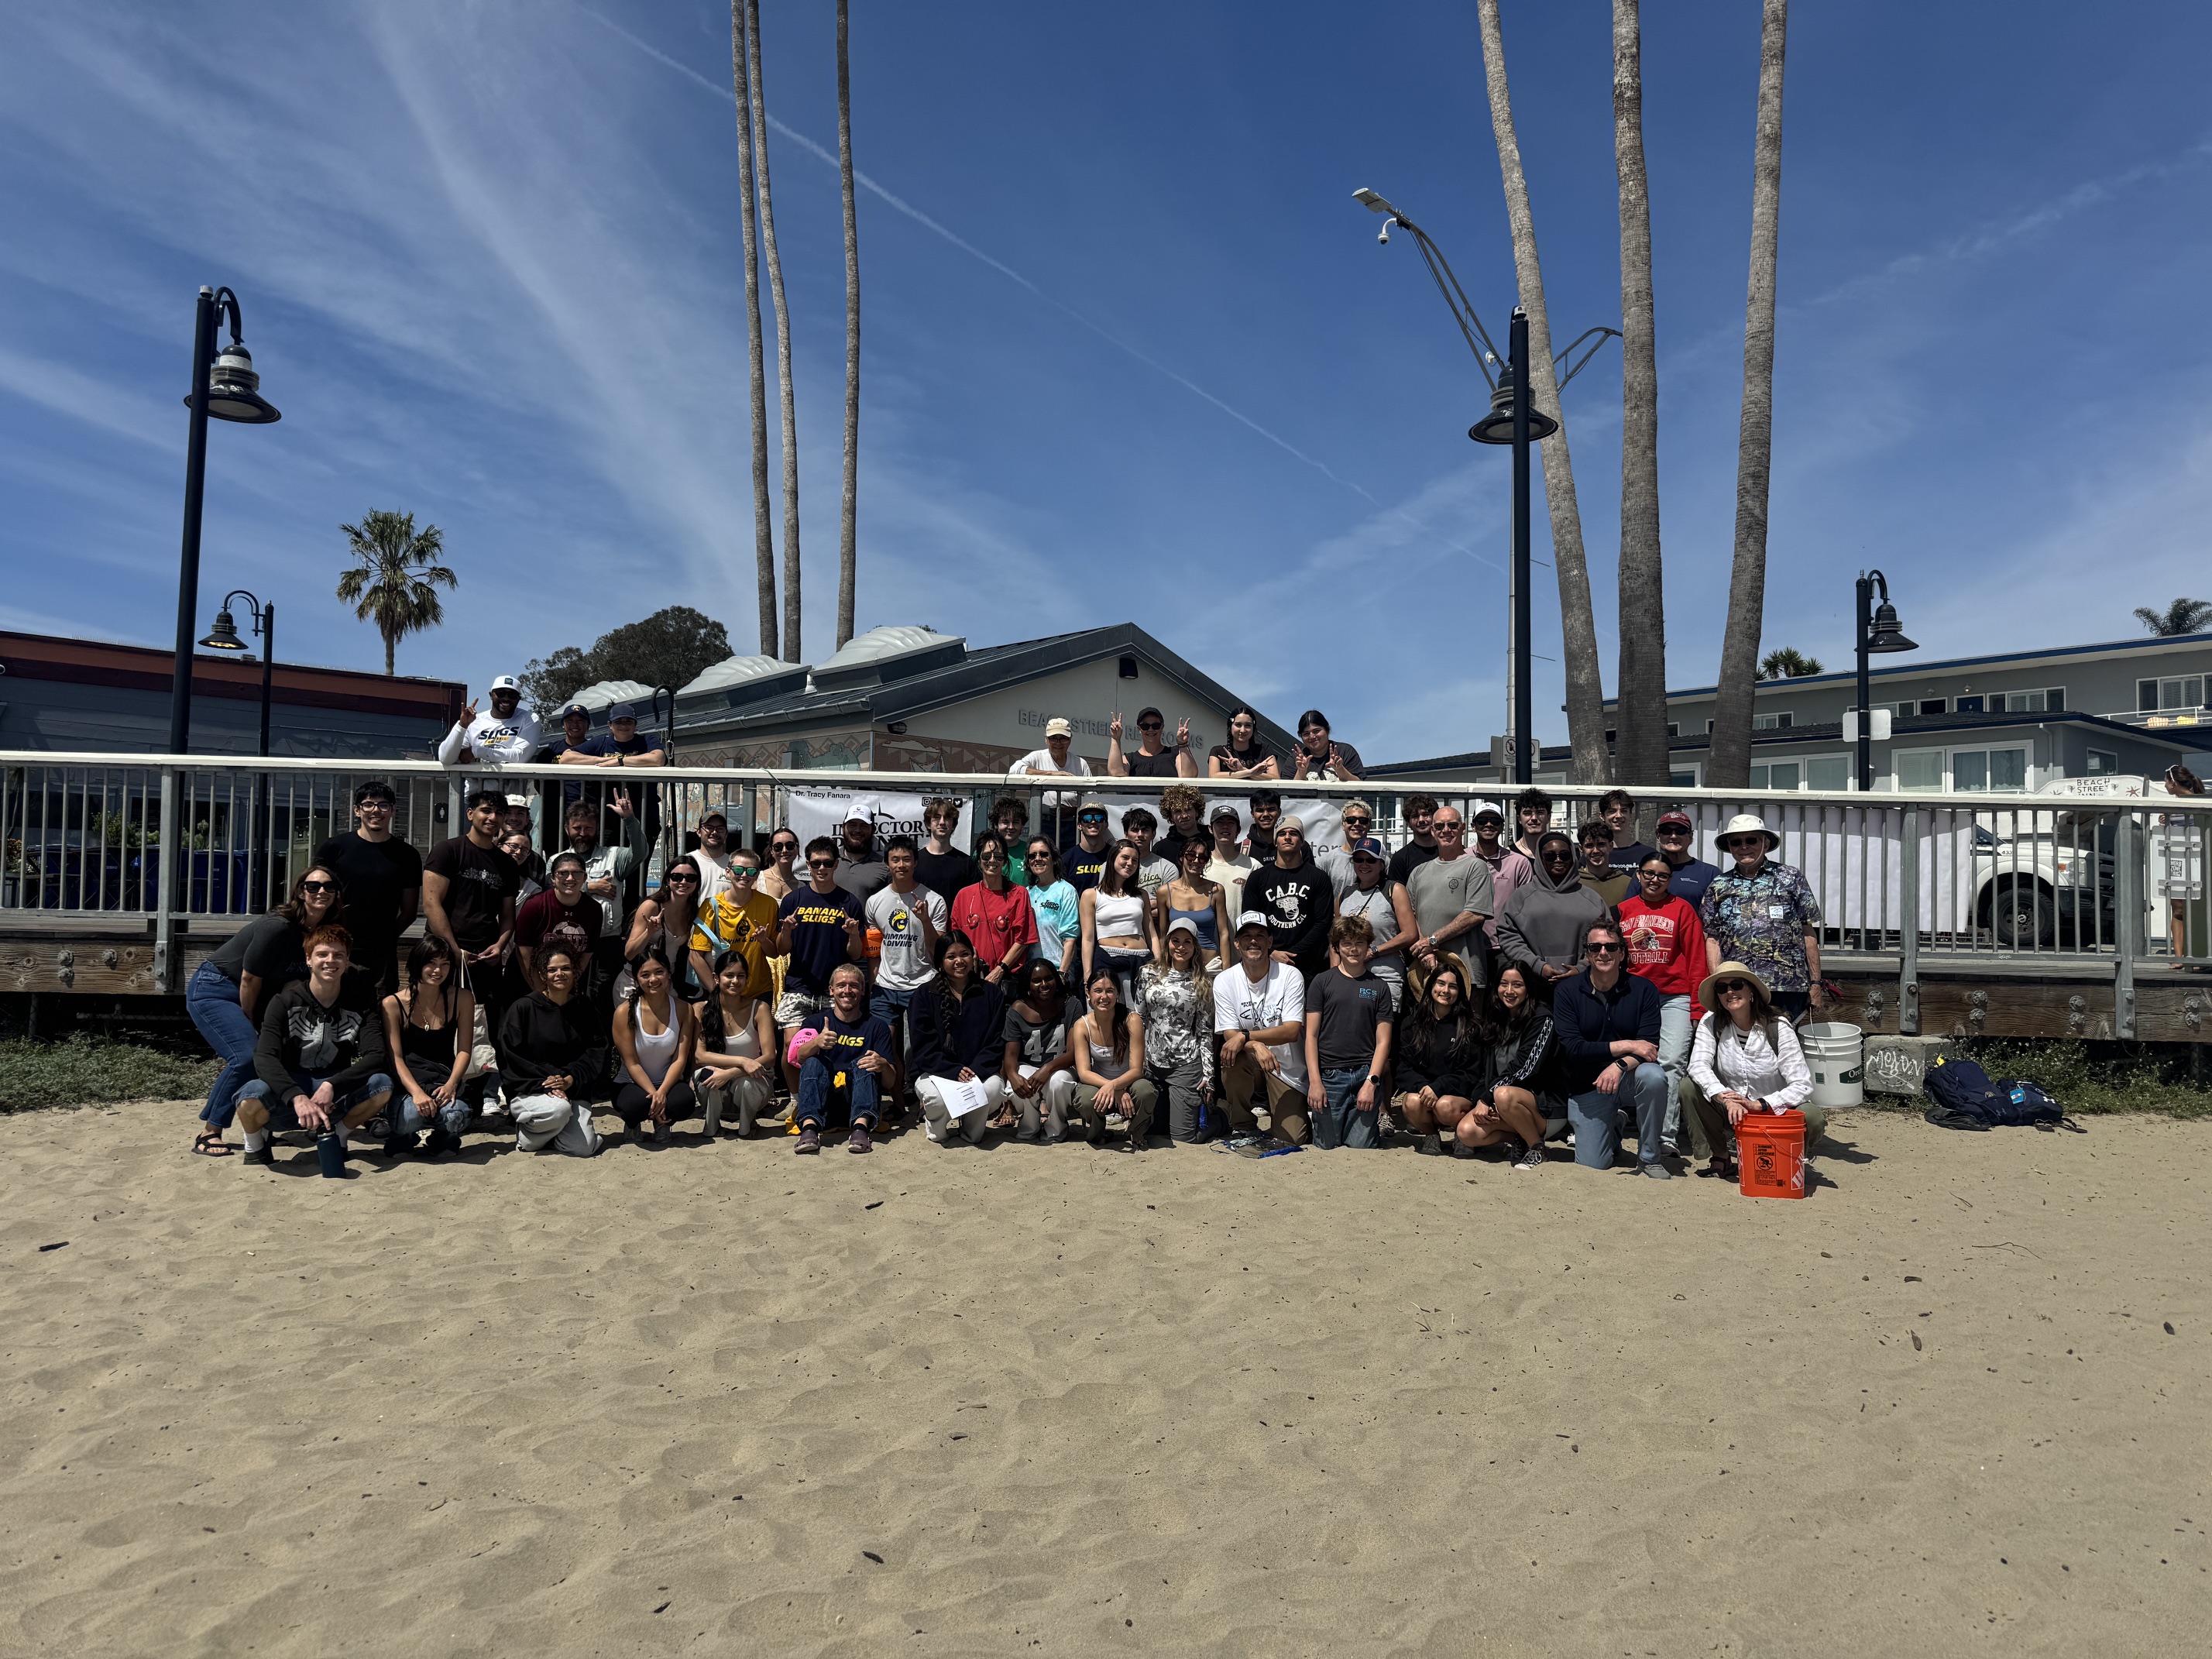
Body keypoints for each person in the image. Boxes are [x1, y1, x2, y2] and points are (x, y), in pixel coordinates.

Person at [184, 866, 345, 1156]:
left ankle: (264, 1128)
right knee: (247, 1056)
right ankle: (210, 1132)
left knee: (276, 1054)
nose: (322, 891)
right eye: (313, 886)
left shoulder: (318, 931)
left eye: (329, 887)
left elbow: (294, 980)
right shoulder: (279, 926)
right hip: (218, 988)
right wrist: (249, 1020)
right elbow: (249, 978)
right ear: (300, 892)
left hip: (259, 993)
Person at [233, 925, 394, 1171]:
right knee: (250, 1095)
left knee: (382, 1085)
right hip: (290, 1093)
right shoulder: (283, 1002)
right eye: (322, 954)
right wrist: (296, 1096)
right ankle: (256, 1144)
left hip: (333, 1094)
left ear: (347, 959)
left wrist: (333, 1085)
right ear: (308, 959)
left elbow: (376, 1056)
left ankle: (338, 1136)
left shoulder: (361, 1003)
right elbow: (265, 1057)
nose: (331, 961)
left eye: (338, 955)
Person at [1681, 961, 1829, 1180]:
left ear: (1751, 991)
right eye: (1722, 989)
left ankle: (1788, 1156)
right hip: (1731, 1110)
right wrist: (1725, 1098)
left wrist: (1761, 1104)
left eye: (1737, 984)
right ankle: (1720, 1156)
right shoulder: (1710, 1022)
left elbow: (1802, 1084)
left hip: (1771, 1111)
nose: (1730, 992)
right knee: (1688, 1087)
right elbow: (1698, 1065)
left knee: (1812, 1117)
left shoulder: (1778, 1026)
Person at [1551, 919, 1671, 1176]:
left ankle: (1650, 1157)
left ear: (1622, 953)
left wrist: (1618, 1066)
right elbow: (1574, 1048)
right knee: (1594, 1164)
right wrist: (1628, 1045)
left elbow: (1649, 1048)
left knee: (1654, 1077)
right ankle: (1614, 1124)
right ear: (1587, 953)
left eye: (1611, 947)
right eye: (1595, 948)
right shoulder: (1567, 992)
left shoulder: (1645, 990)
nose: (1603, 953)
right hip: (1588, 1084)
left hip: (1628, 1077)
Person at [1618, 851, 1709, 1155]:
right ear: (1639, 875)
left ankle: (1664, 1136)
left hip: (1675, 997)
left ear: (1670, 879)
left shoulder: (1682, 910)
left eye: (1663, 875)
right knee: (1629, 1060)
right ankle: (1620, 1120)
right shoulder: (1623, 910)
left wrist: (1698, 1007)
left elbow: (1697, 960)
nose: (1655, 880)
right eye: (1649, 873)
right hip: (1634, 996)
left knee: (1671, 1061)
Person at [1701, 814, 1826, 1018]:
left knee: (1783, 1046)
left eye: (1751, 840)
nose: (1744, 847)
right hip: (1738, 987)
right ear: (1730, 847)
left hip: (1786, 985)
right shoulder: (1718, 885)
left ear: (1765, 844)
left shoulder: (1791, 877)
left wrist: (1815, 983)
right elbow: (1712, 939)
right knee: (1742, 1047)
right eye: (1736, 842)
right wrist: (1719, 983)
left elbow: (1807, 932)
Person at [311, 781, 421, 996]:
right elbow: (315, 894)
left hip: (382, 951)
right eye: (368, 805)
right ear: (357, 810)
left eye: (383, 805)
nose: (376, 811)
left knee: (382, 1012)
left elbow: (409, 911)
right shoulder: (334, 848)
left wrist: (388, 935)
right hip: (336, 947)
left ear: (393, 810)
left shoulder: (407, 855)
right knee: (334, 1008)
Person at [422, 789, 521, 1028]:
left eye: (499, 813)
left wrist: (500, 946)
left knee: (486, 1023)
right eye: (485, 811)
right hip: (444, 950)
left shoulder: (507, 864)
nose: (492, 818)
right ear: (470, 814)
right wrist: (454, 950)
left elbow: (508, 916)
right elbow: (431, 903)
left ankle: (483, 1066)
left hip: (485, 956)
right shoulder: (448, 850)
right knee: (438, 1016)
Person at [497, 942, 606, 1156]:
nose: (560, 974)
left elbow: (597, 1050)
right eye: (552, 970)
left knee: (583, 1148)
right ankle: (529, 1132)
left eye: (565, 968)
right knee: (559, 1110)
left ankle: (553, 1133)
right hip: (531, 1089)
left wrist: (570, 1079)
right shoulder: (523, 1008)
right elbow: (510, 1057)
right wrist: (547, 1083)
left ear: (575, 971)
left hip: (572, 1090)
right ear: (542, 974)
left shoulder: (584, 1008)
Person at [776, 838, 868, 1083]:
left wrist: (852, 934)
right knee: (790, 1048)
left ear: (836, 864)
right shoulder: (792, 901)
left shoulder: (849, 903)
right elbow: (781, 949)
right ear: (807, 864)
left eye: (827, 863)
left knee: (830, 1049)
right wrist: (786, 931)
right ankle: (796, 1102)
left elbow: (855, 954)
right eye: (816, 863)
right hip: (798, 987)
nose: (822, 869)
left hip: (834, 990)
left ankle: (824, 1097)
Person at [1214, 912, 1310, 1146]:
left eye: (1259, 935)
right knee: (1232, 1055)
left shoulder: (1290, 975)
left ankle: (1294, 1110)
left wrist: (1247, 1036)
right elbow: (1229, 1036)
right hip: (1252, 1059)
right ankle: (1242, 1124)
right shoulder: (1225, 980)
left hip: (1286, 1067)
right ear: (1237, 944)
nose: (1253, 941)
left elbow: (1291, 1031)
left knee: (1293, 1138)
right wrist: (1255, 1044)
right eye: (1246, 936)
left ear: (1270, 942)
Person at [907, 930, 1009, 1146]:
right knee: (936, 1099)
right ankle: (936, 1125)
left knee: (994, 1090)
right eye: (951, 957)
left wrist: (977, 1070)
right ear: (941, 962)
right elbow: (923, 1046)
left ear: (974, 957)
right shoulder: (924, 995)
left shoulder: (992, 994)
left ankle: (971, 1127)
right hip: (936, 1072)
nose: (959, 961)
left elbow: (996, 1041)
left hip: (976, 1071)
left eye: (964, 954)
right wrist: (952, 1070)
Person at [380, 933, 477, 1157]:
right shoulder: (394, 1004)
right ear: (417, 964)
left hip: (443, 1078)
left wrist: (453, 1083)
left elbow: (464, 1049)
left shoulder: (461, 998)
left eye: (444, 964)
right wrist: (416, 1093)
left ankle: (444, 1139)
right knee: (410, 1117)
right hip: (409, 1082)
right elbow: (396, 1057)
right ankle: (402, 1138)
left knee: (455, 1116)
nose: (438, 970)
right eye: (431, 963)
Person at [1302, 915, 1393, 1149]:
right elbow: (1311, 1036)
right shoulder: (1322, 982)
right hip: (1330, 1076)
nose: (1354, 949)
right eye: (1347, 944)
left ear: (1368, 946)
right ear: (1337, 947)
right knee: (1327, 1144)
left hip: (1365, 1074)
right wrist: (1315, 1082)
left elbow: (1383, 1041)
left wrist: (1371, 1083)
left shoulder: (1379, 987)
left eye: (1360, 943)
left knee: (1361, 1145)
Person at [1456, 963, 1559, 1167]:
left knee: (1503, 1094)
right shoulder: (1496, 1018)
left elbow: (1526, 1067)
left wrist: (1489, 1098)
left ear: (1528, 988)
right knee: (1466, 1132)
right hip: (1504, 1102)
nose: (1509, 991)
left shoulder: (1542, 1018)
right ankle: (1518, 1138)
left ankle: (1537, 1149)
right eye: (1504, 984)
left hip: (1545, 1106)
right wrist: (1483, 1100)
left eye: (1517, 985)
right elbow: (1486, 1072)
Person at [789, 963, 895, 1154]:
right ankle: (809, 1130)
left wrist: (883, 1065)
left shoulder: (877, 1027)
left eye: (854, 985)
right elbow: (799, 1058)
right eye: (841, 986)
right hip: (823, 1102)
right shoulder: (815, 1022)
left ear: (862, 990)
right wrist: (816, 1043)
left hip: (860, 1101)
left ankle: (861, 1130)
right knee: (813, 1061)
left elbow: (890, 1082)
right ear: (831, 990)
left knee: (865, 1062)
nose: (847, 990)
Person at [865, 835, 946, 1060]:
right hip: (885, 987)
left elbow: (937, 952)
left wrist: (926, 920)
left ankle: (913, 1090)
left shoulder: (934, 900)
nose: (901, 865)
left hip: (921, 983)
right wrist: (875, 983)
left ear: (916, 862)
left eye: (907, 859)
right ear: (887, 863)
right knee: (883, 1047)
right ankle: (893, 1094)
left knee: (917, 1049)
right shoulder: (875, 902)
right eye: (896, 860)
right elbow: (873, 950)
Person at [1393, 957, 1484, 1156]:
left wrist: (1439, 1087)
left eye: (1453, 986)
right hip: (1424, 1094)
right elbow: (1403, 1068)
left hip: (1455, 1099)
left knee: (1444, 1106)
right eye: (1440, 983)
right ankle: (1431, 1135)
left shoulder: (1470, 1027)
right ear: (1431, 986)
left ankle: (1462, 1134)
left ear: (1460, 992)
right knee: (1410, 1102)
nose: (1445, 991)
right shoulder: (1412, 1024)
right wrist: (1424, 1087)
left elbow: (1471, 1074)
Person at [1496, 831, 1613, 986]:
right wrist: (1537, 966)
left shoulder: (1593, 899)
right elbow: (1509, 937)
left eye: (1564, 855)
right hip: (1533, 986)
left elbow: (1607, 938)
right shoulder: (1520, 898)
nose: (1558, 860)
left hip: (1583, 984)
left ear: (1573, 857)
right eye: (1550, 856)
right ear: (1540, 858)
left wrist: (1582, 967)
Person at [610, 944, 699, 1146]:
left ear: (669, 974)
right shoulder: (625, 1012)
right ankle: (633, 1124)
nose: (653, 980)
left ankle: (663, 1123)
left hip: (666, 1081)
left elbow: (680, 1058)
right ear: (636, 979)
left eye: (659, 972)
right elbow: (631, 1063)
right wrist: (655, 1096)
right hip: (632, 1083)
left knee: (684, 1101)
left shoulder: (684, 1009)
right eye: (645, 975)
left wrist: (662, 1093)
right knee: (636, 1105)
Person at [1137, 916, 1215, 1143]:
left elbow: (1205, 1031)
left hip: (1185, 1064)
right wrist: (1139, 1061)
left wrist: (1209, 1075)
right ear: (1167, 942)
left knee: (1184, 1138)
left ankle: (1219, 1117)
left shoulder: (1202, 981)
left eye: (1187, 942)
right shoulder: (1148, 973)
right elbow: (1139, 1018)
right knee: (1154, 1131)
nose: (1181, 947)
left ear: (1195, 946)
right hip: (1152, 1063)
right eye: (1176, 941)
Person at [1404, 806, 1496, 988]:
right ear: (1432, 831)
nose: (1446, 830)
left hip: (1466, 973)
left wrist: (1432, 940)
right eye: (1439, 827)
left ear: (1463, 828)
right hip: (1427, 970)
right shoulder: (1418, 872)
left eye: (1452, 825)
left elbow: (1475, 914)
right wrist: (1425, 952)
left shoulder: (1476, 867)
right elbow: (1409, 917)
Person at [1069, 966, 1156, 1152]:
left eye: (1110, 991)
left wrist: (1115, 1086)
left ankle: (1136, 1131)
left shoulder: (1131, 1019)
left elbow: (1136, 1070)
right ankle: (1098, 1132)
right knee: (1084, 1098)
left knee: (1146, 1091)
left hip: (1129, 1081)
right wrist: (1113, 1089)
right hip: (1100, 1083)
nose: (1104, 997)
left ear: (1117, 993)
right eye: (1098, 991)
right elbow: (1084, 1073)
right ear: (1088, 993)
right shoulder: (1082, 1025)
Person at [694, 948, 778, 1138]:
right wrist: (743, 1061)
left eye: (741, 976)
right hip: (717, 1088)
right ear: (716, 978)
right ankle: (712, 1126)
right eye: (729, 975)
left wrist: (732, 1072)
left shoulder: (759, 1008)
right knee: (705, 1075)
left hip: (752, 1084)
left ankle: (747, 1125)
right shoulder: (702, 1009)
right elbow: (700, 1056)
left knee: (746, 1083)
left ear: (747, 978)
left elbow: (770, 1056)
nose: (735, 981)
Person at [1001, 960, 1078, 1143]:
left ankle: (1057, 1127)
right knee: (1017, 1083)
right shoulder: (1017, 1009)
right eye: (1036, 981)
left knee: (1059, 1083)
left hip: (1061, 1067)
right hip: (1029, 1065)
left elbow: (1073, 1053)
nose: (1044, 985)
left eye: (1049, 978)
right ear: (1028, 984)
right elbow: (1010, 1055)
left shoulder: (1071, 1004)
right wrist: (1012, 1074)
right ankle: (1029, 1125)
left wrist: (1048, 1068)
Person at [1247, 816, 1334, 979]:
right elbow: (1251, 920)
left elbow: (1323, 923)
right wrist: (1271, 952)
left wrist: (1293, 954)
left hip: (1308, 965)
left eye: (1293, 833)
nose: (1287, 837)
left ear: (1302, 841)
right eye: (1282, 834)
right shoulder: (1258, 878)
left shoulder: (1318, 877)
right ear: (1275, 842)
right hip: (1267, 962)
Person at [950, 831, 1038, 988]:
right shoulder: (964, 896)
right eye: (986, 856)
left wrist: (1000, 970)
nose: (992, 861)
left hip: (1006, 980)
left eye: (998, 857)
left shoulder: (1018, 894)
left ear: (1005, 861)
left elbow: (1023, 940)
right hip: (969, 980)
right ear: (979, 860)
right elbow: (955, 937)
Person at [1335, 839, 1417, 1006]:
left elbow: (1410, 934)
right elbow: (1335, 940)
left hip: (1384, 977)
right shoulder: (1344, 894)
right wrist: (1335, 975)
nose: (1364, 864)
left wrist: (1373, 952)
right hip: (1348, 978)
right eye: (1359, 860)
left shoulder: (1394, 889)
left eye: (1371, 860)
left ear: (1382, 864)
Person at [691, 847, 778, 1005]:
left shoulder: (769, 904)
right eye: (738, 870)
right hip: (724, 992)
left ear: (757, 875)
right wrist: (716, 991)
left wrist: (764, 941)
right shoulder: (711, 906)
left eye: (751, 871)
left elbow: (774, 954)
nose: (744, 875)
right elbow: (695, 955)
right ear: (728, 872)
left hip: (759, 992)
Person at [623, 853, 710, 1002]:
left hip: (666, 985)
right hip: (636, 982)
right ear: (668, 880)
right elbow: (629, 954)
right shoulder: (651, 907)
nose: (683, 882)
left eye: (690, 878)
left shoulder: (693, 912)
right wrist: (649, 932)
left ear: (697, 882)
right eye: (677, 877)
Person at [563, 788, 648, 942]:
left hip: (607, 942)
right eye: (577, 828)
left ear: (597, 829)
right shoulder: (557, 860)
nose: (583, 834)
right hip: (569, 940)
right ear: (567, 829)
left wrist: (629, 819)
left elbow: (640, 853)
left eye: (588, 828)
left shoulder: (614, 856)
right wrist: (589, 888)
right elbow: (551, 891)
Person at [514, 851, 601, 996]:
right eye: (563, 873)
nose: (570, 878)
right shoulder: (535, 905)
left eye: (577, 873)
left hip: (565, 985)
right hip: (529, 981)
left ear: (585, 878)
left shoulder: (594, 909)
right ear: (553, 878)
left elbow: (587, 953)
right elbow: (523, 950)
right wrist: (540, 990)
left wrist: (567, 987)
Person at [1081, 840, 1158, 1000]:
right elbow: (1088, 939)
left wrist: (1159, 963)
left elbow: (1152, 934)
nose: (1130, 863)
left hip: (1142, 960)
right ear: (1112, 859)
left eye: (1135, 860)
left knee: (1140, 1016)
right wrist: (1088, 975)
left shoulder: (1141, 895)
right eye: (1125, 858)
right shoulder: (1091, 895)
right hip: (1107, 960)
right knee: (1108, 1015)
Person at [1155, 831, 1231, 968]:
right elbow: (1163, 935)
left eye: (1202, 858)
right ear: (1181, 858)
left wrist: (1227, 971)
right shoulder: (1165, 892)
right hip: (1178, 966)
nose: (1196, 861)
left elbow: (1224, 933)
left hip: (1210, 966)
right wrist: (1163, 965)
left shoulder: (1216, 890)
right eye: (1191, 856)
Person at [436, 675, 541, 771]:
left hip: (509, 791)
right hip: (474, 790)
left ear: (519, 699)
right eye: (501, 693)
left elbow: (519, 756)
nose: (506, 698)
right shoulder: (474, 721)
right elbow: (446, 759)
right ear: (491, 695)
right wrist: (462, 725)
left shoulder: (529, 719)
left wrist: (476, 752)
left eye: (512, 695)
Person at [1012, 716, 1093, 841]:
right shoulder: (1037, 757)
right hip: (1043, 824)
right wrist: (1053, 775)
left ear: (1070, 740)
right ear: (1046, 739)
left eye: (1063, 739)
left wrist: (1072, 811)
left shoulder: (1080, 764)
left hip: (1072, 826)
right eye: (1053, 738)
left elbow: (1091, 799)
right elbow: (1014, 770)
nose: (1058, 743)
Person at [1468, 802, 1532, 953]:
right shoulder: (1462, 859)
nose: (1489, 825)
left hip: (1507, 947)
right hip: (1468, 946)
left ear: (1503, 826)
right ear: (1473, 826)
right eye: (1482, 821)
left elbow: (1526, 909)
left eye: (1495, 821)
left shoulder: (1519, 863)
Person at [1024, 838, 1081, 974]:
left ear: (1053, 859)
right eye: (1032, 856)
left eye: (1043, 854)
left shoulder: (1066, 891)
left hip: (1056, 971)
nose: (1038, 859)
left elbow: (1070, 938)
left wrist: (1062, 973)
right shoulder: (1026, 893)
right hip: (1030, 973)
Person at [915, 798, 981, 902]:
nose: (942, 822)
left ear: (953, 825)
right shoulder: (915, 861)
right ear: (928, 824)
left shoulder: (966, 863)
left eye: (947, 818)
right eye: (937, 817)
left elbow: (974, 900)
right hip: (920, 918)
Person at [1654, 809, 1723, 908]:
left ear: (1690, 837)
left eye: (1680, 831)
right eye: (1666, 831)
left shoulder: (1710, 874)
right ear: (1658, 837)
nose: (1673, 836)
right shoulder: (1647, 872)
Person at [1108, 706, 1198, 778]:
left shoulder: (1176, 753)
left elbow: (1189, 776)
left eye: (1156, 725)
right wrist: (1115, 739)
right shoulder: (1129, 759)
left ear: (1162, 727)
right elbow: (1116, 774)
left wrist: (1183, 744)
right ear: (1139, 729)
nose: (1151, 729)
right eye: (1145, 726)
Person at [1204, 804, 1256, 924]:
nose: (1225, 827)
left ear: (1238, 830)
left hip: (1243, 940)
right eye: (1220, 823)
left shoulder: (1253, 866)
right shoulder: (1200, 864)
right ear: (1210, 829)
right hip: (1207, 942)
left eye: (1231, 823)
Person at [1314, 800, 1377, 898]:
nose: (1357, 824)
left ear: (1369, 825)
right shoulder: (1325, 862)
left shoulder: (1382, 861)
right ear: (1343, 825)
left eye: (1363, 820)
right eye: (1351, 820)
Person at [833, 804, 891, 902]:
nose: (857, 830)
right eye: (852, 825)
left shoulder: (885, 866)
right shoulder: (828, 861)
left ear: (873, 830)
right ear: (843, 828)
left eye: (864, 826)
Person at [1289, 709, 1362, 781]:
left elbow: (1359, 786)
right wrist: (1301, 771)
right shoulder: (1295, 759)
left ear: (1327, 730)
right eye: (1306, 734)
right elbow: (1288, 790)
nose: (1312, 737)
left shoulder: (1346, 751)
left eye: (1316, 731)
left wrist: (1340, 769)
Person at [1118, 806, 1178, 896]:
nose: (1140, 835)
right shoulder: (1110, 866)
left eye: (1145, 830)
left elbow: (1170, 903)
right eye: (1135, 830)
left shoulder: (1168, 868)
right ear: (1126, 834)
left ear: (1153, 834)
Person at [1209, 704, 1279, 780]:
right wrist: (1250, 773)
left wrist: (1242, 769)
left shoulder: (1265, 750)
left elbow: (1275, 778)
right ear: (1230, 727)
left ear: (1253, 728)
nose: (1243, 730)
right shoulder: (1217, 752)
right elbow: (1213, 776)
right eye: (1238, 725)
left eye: (1248, 725)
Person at [1061, 799, 1117, 893]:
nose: (1093, 822)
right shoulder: (1066, 859)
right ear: (1079, 825)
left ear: (1106, 824)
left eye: (1099, 818)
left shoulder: (1116, 856)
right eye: (1087, 818)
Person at [1599, 788, 1658, 871]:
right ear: (1602, 816)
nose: (1619, 816)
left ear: (1630, 814)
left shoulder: (1648, 854)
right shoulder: (1595, 854)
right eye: (1612, 811)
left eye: (1624, 811)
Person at [1576, 819, 1633, 907]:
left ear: (1610, 846)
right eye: (1589, 846)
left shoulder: (1627, 884)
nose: (1596, 851)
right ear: (1581, 849)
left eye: (1601, 844)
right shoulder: (1573, 882)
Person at [1386, 795, 1441, 885]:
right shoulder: (1400, 859)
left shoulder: (1449, 851)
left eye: (1426, 815)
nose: (1421, 820)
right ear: (1408, 823)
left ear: (1435, 818)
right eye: (1415, 816)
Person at [1156, 784, 1209, 866]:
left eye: (1188, 809)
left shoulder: (1213, 842)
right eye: (1177, 811)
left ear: (1197, 811)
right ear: (1171, 816)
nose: (1184, 816)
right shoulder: (1161, 848)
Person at [691, 810, 736, 907]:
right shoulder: (687, 862)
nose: (714, 832)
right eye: (709, 828)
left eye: (720, 829)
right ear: (699, 832)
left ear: (726, 834)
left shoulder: (735, 864)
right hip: (691, 921)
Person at [988, 798, 1032, 888]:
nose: (1011, 827)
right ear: (996, 824)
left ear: (1022, 825)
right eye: (1006, 822)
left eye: (1016, 822)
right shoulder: (985, 852)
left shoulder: (1030, 852)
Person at [758, 828, 801, 906]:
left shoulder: (801, 887)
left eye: (790, 846)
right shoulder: (757, 880)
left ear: (797, 848)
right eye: (778, 847)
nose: (784, 850)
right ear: (771, 850)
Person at [1511, 788, 1554, 860]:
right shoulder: (1510, 854)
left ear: (1549, 818)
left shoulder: (1561, 854)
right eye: (1527, 813)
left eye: (1540, 813)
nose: (1534, 818)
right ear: (1519, 819)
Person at [500, 830, 543, 900]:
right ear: (500, 846)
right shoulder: (485, 873)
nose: (518, 852)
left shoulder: (532, 889)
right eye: (513, 846)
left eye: (525, 850)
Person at [1244, 792, 1283, 861]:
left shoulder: (1297, 847)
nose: (1265, 814)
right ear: (1252, 814)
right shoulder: (1241, 850)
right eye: (1260, 810)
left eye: (1271, 810)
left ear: (1279, 812)